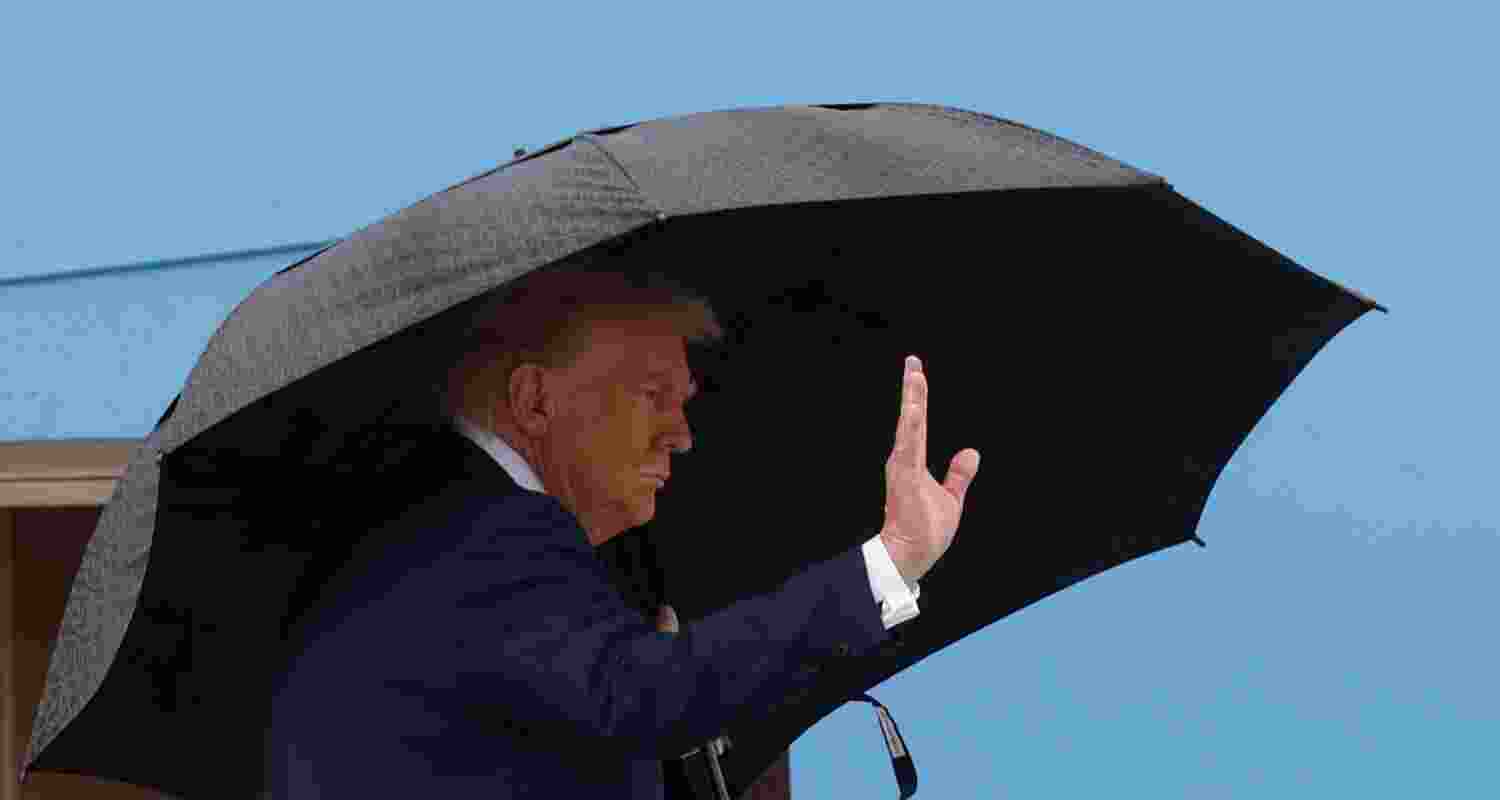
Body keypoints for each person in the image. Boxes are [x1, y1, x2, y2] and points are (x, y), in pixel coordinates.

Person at [264, 266, 981, 799]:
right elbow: (641, 701)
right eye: (651, 396)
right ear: (534, 400)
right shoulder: (489, 533)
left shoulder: (427, 521)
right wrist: (889, 560)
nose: (683, 435)